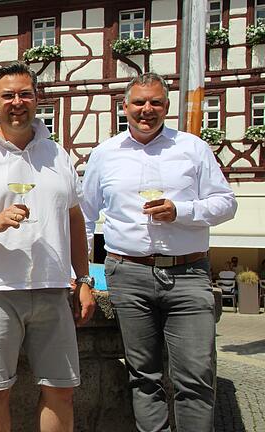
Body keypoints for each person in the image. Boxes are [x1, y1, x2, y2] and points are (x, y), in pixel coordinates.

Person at [0, 61, 96, 432]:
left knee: (62, 389)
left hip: (53, 290)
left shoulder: (58, 155)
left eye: (25, 94)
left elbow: (75, 219)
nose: (17, 102)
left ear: (37, 99)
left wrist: (84, 278)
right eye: (8, 95)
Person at [80, 72, 237, 431]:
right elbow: (86, 218)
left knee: (196, 375)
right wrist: (84, 277)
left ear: (166, 107)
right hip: (128, 273)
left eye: (156, 103)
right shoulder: (105, 154)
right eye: (139, 102)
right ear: (125, 107)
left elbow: (226, 204)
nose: (147, 110)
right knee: (142, 375)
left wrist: (182, 211)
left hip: (189, 273)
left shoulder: (192, 147)